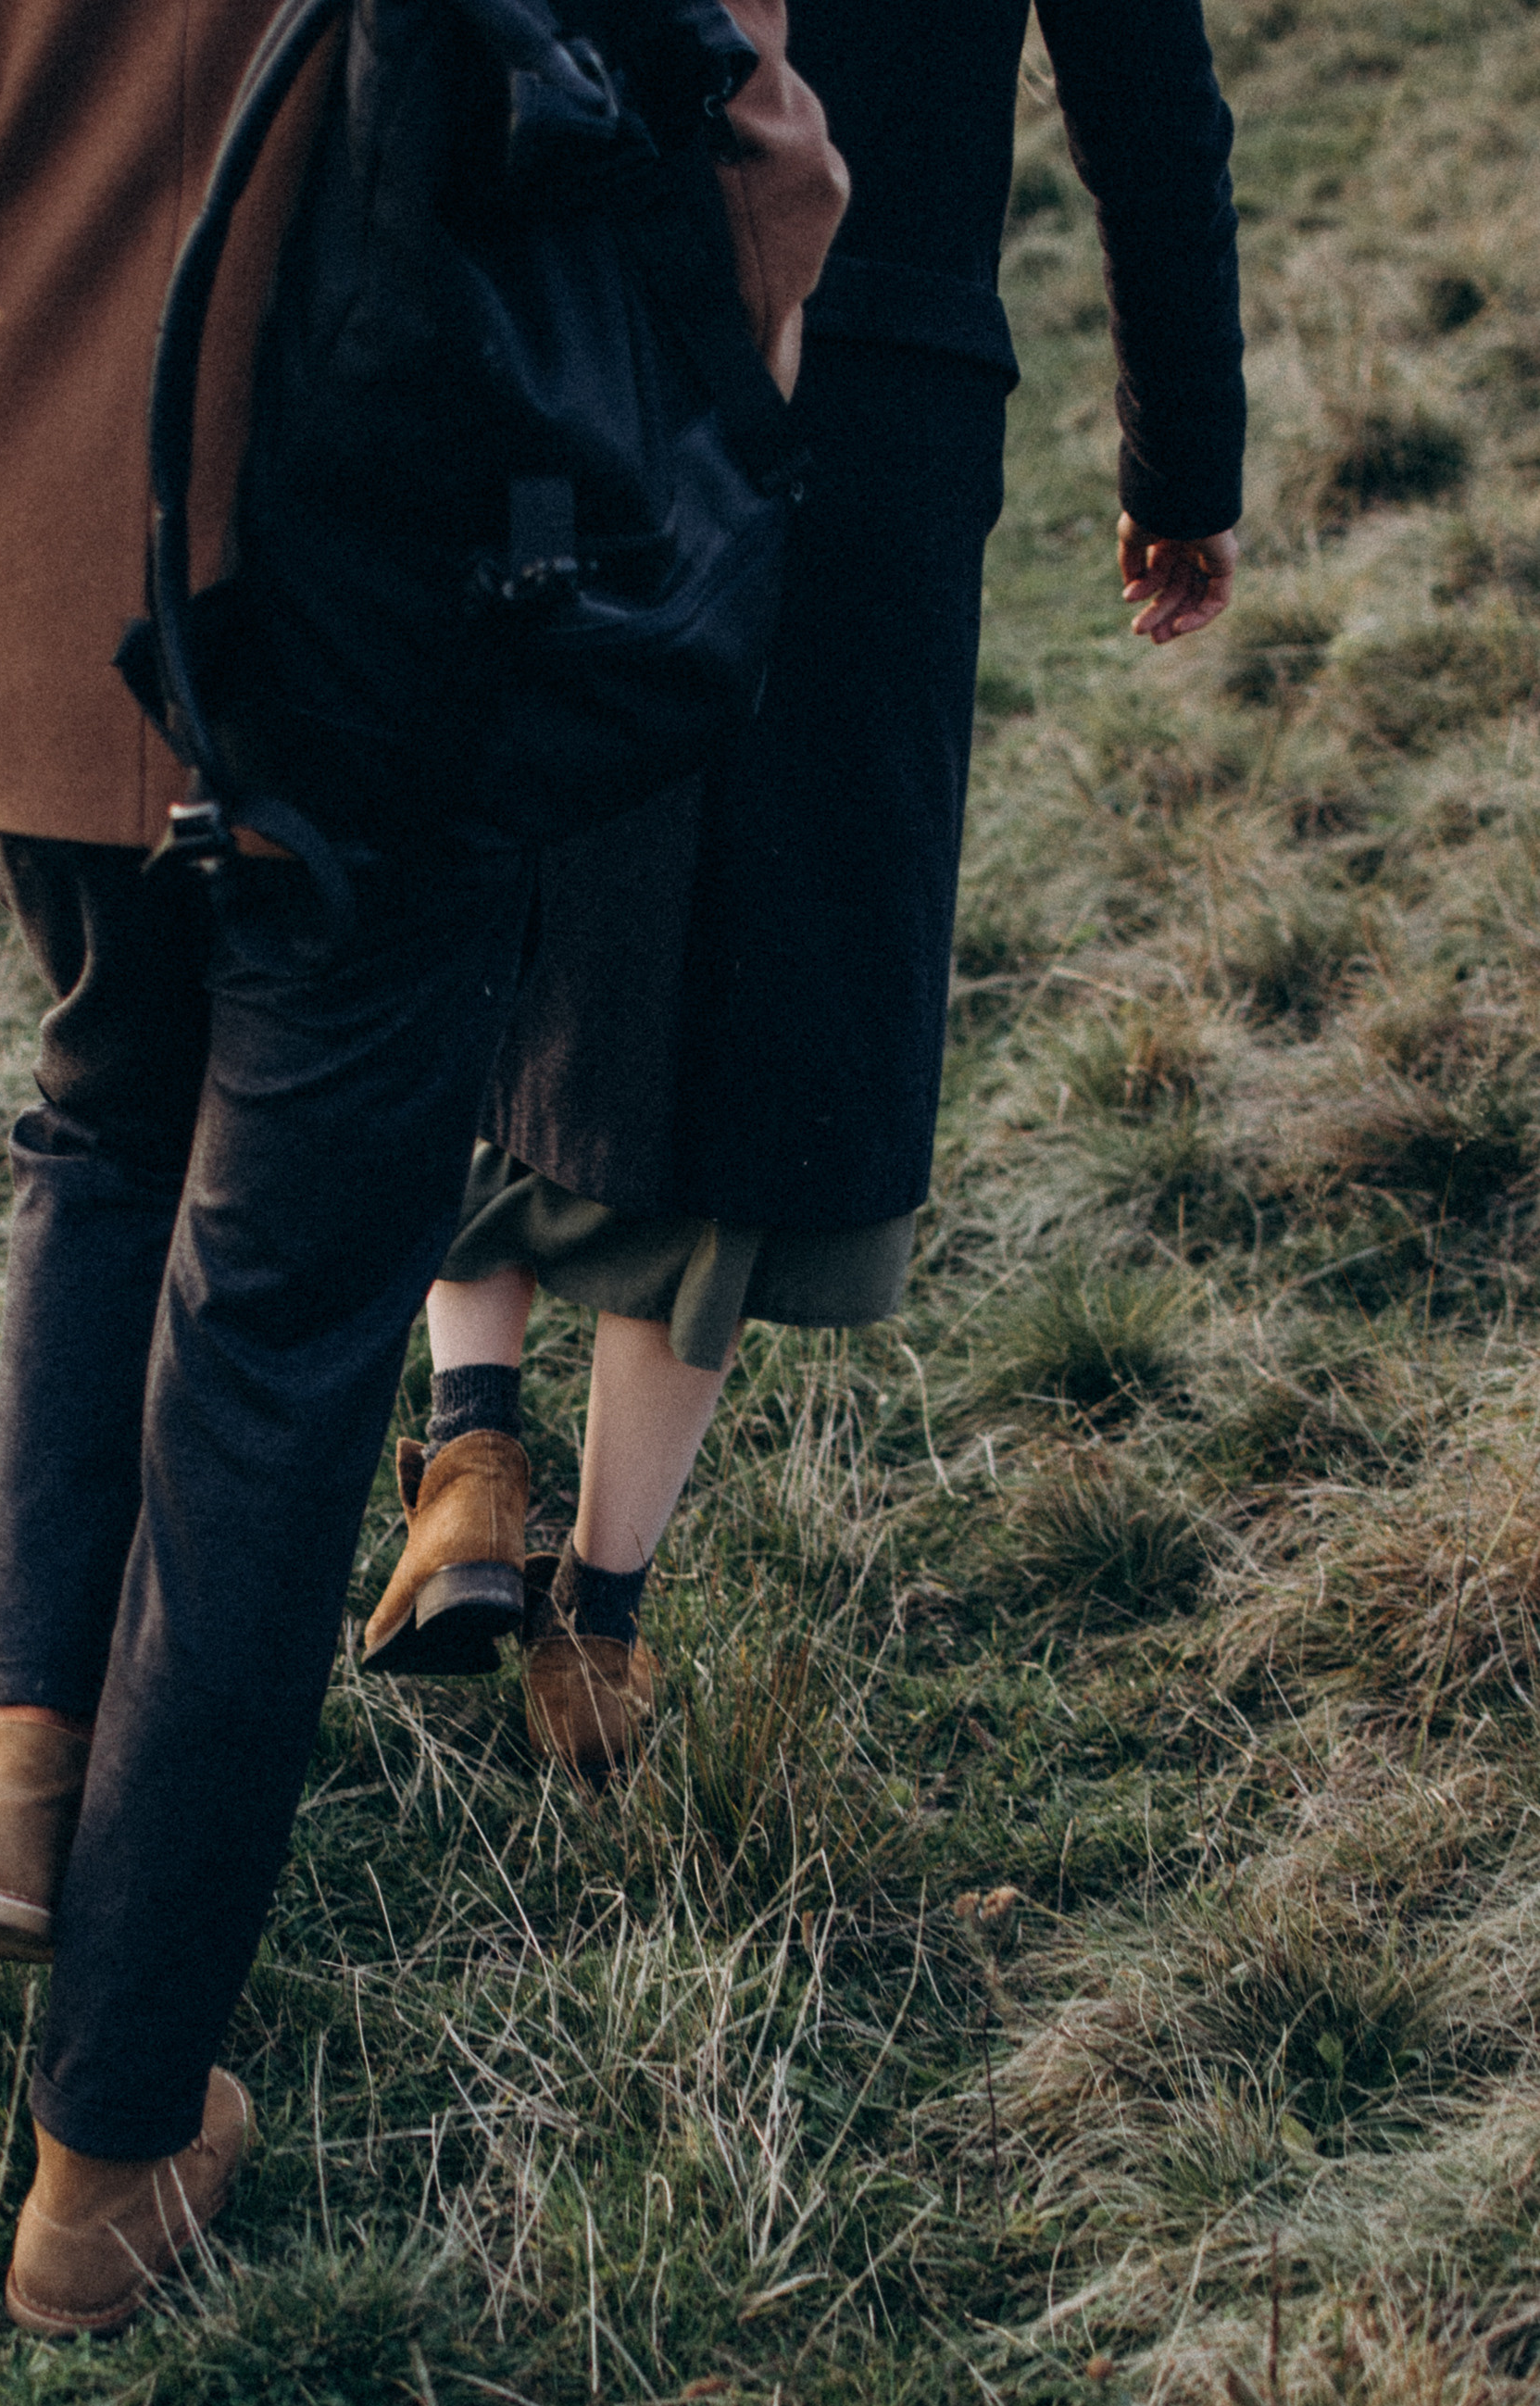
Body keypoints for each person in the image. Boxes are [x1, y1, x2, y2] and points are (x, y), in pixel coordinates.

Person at [0, 0, 845, 2330]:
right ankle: (109, 2150)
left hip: (57, 667)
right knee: (285, 1339)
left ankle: (25, 1761)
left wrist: (29, 494)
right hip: (406, 658)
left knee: (103, 1128)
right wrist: (681, 459)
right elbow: (763, 163)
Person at [360, 0, 1244, 1779]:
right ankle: (592, 1633)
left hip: (587, 340)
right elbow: (1152, 115)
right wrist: (1182, 469)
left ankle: (470, 1444)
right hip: (882, 401)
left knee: (513, 892)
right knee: (761, 983)